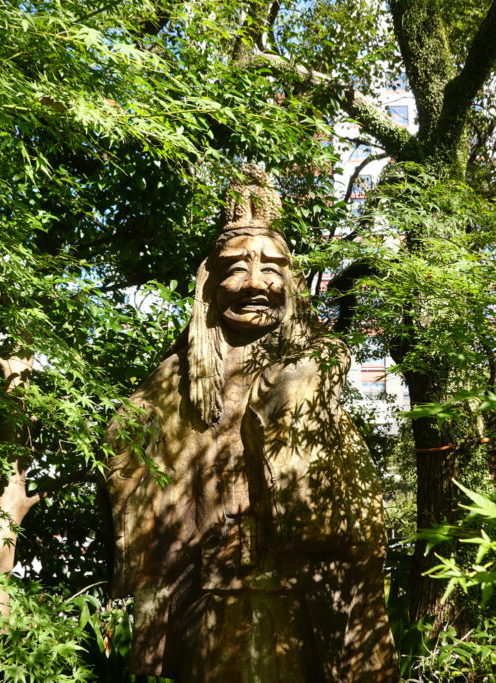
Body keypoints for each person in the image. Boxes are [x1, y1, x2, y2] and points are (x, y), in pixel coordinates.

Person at [106, 166, 399, 682]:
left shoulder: (315, 360)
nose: (256, 282)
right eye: (236, 268)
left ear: (291, 282)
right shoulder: (179, 373)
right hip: (204, 587)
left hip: (293, 581)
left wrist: (301, 381)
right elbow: (130, 444)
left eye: (271, 268)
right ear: (210, 284)